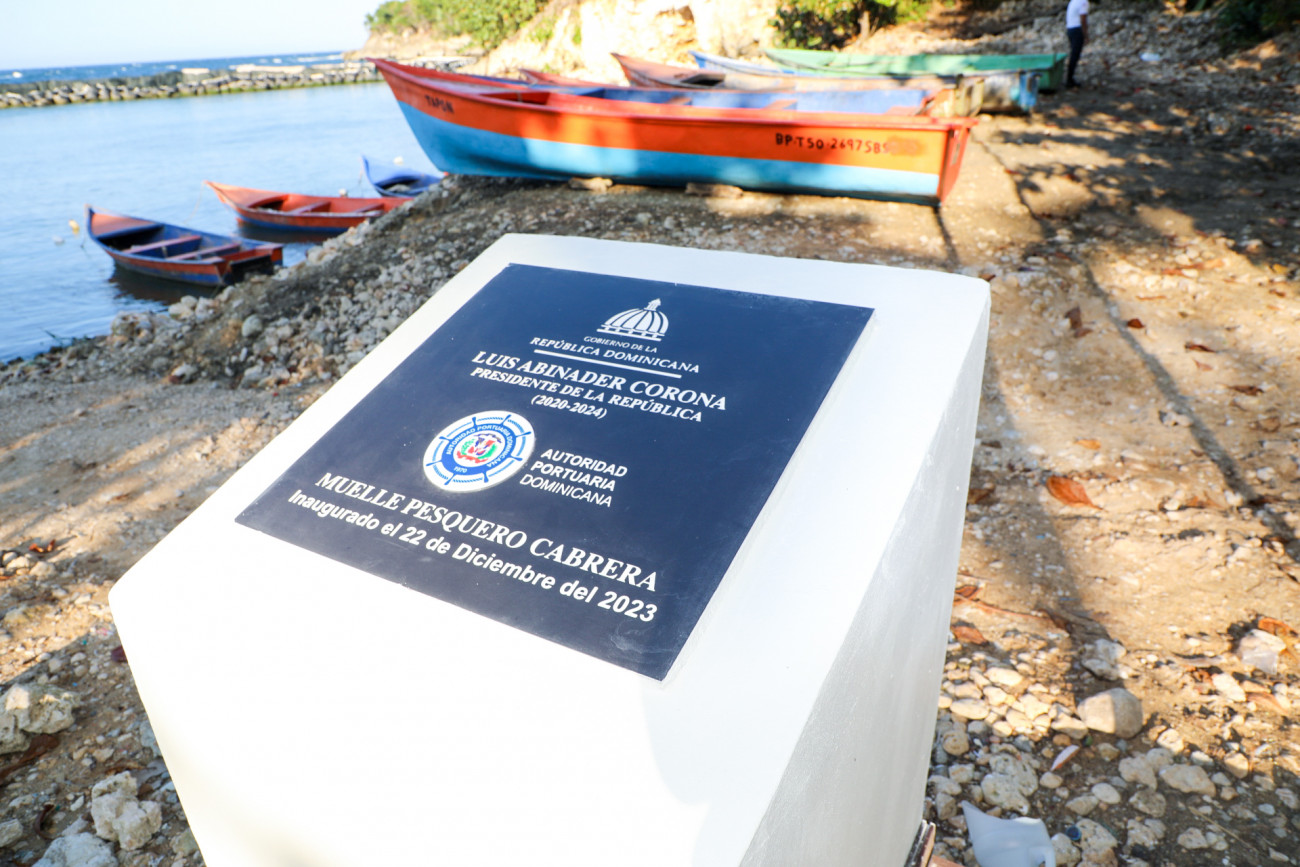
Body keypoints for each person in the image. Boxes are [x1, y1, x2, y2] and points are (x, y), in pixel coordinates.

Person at [1065, 0, 1090, 88]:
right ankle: (1069, 79)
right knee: (1075, 55)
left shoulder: (1073, 1)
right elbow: (1083, 19)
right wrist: (1085, 35)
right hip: (1077, 29)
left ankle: (1070, 77)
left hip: (1070, 29)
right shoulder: (1084, 2)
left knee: (1073, 54)